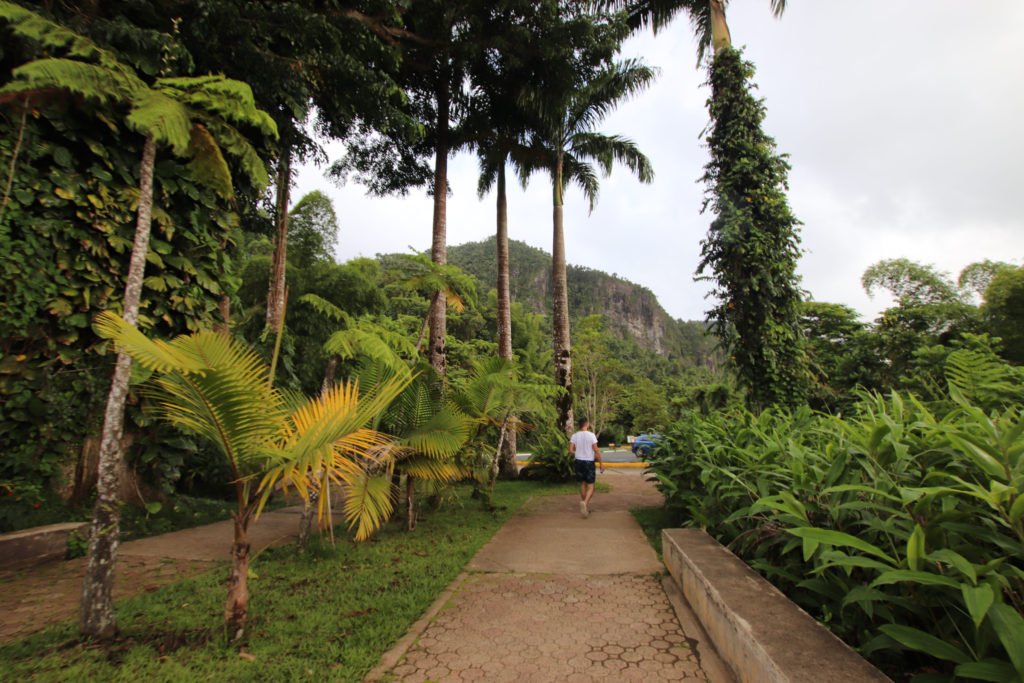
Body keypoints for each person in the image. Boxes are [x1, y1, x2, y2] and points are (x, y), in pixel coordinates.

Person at [569, 416, 603, 518]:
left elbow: (570, 451)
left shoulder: (574, 436)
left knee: (583, 484)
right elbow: (596, 450)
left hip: (578, 461)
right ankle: (585, 503)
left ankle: (585, 508)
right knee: (591, 486)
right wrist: (601, 463)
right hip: (589, 462)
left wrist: (577, 452)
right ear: (587, 424)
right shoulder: (591, 435)